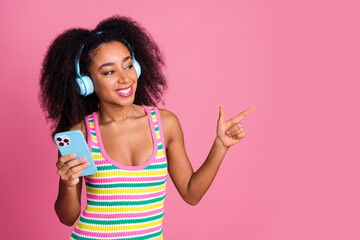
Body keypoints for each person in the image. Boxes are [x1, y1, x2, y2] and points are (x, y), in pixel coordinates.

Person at [39, 15, 256, 240]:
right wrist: (67, 182)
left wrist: (220, 146)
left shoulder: (165, 124)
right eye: (109, 72)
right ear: (86, 83)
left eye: (128, 65)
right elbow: (67, 217)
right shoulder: (79, 136)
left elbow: (192, 194)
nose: (125, 79)